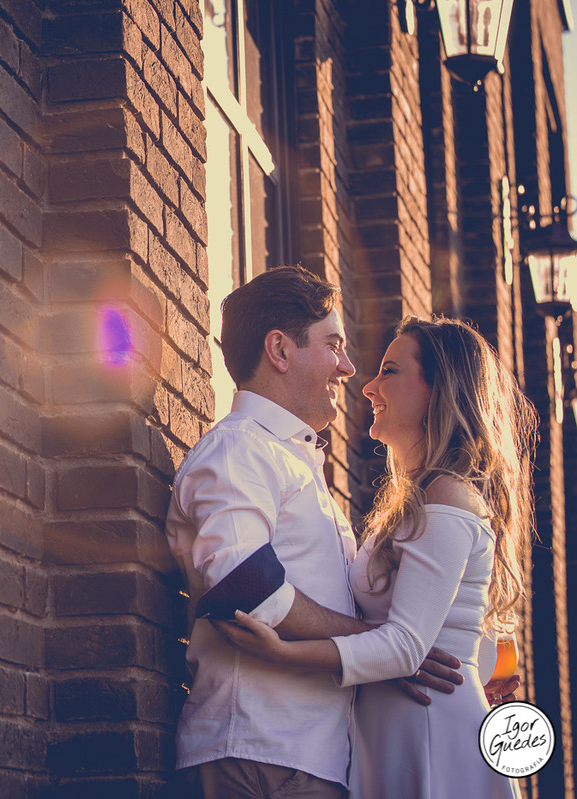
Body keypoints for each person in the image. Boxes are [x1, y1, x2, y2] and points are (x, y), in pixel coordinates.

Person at [167, 266, 462, 799]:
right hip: (258, 755)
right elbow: (244, 586)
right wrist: (380, 647)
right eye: (334, 345)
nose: (348, 367)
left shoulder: (290, 461)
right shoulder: (239, 449)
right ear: (280, 350)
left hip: (302, 761)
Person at [217, 315, 534, 798]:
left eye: (390, 371)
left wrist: (283, 653)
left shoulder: (446, 495)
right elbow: (447, 631)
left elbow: (407, 646)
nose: (368, 387)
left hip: (428, 729)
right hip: (395, 727)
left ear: (438, 391)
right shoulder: (419, 501)